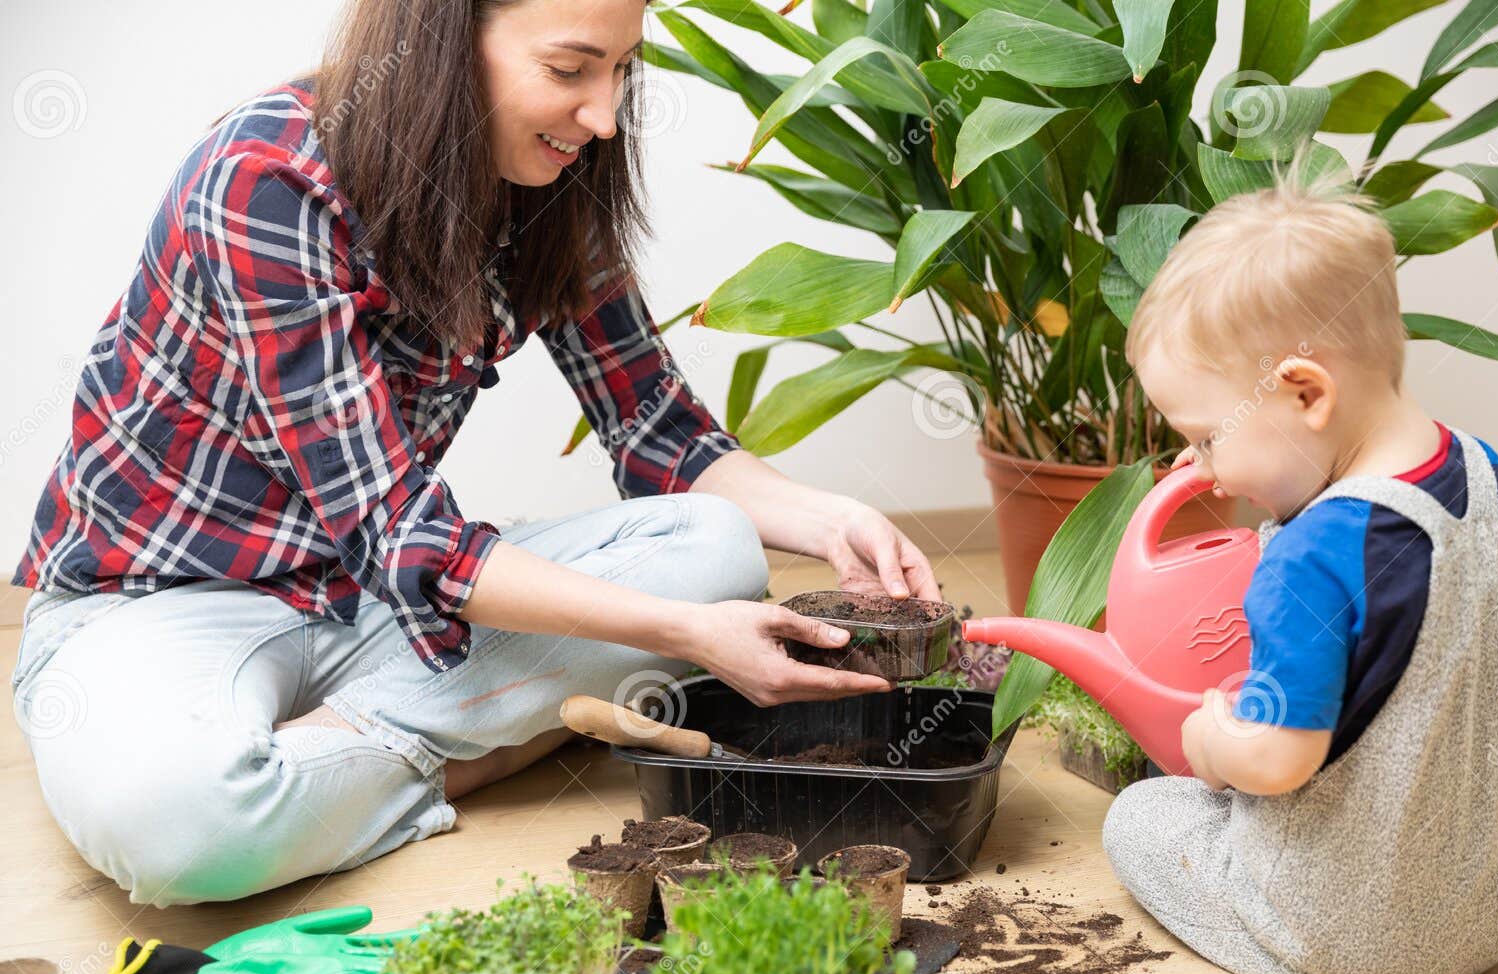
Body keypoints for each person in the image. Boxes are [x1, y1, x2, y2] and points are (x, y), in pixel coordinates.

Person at [9, 0, 939, 908]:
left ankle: (340, 762)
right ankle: (491, 741)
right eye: (570, 70)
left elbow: (661, 431)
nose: (604, 116)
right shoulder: (266, 180)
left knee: (722, 550)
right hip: (159, 603)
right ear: (445, 40)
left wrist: (833, 519)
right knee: (180, 827)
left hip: (377, 604)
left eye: (621, 70)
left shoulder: (553, 176)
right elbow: (401, 530)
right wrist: (681, 637)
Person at [1100, 162, 1498, 974]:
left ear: (1305, 392)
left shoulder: (1308, 555)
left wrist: (1209, 741)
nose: (1204, 469)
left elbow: (1275, 763)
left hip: (1343, 935)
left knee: (1140, 816)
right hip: (1488, 910)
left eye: (1206, 437)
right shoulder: (1487, 478)